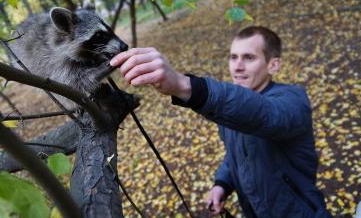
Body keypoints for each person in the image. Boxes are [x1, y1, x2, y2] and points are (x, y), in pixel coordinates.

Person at [110, 26, 331, 217]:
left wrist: (184, 85)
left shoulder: (293, 100)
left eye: (249, 58)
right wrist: (222, 184)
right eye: (233, 57)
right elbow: (237, 153)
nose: (237, 67)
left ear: (273, 65)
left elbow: (265, 115)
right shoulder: (233, 110)